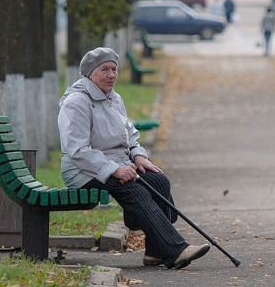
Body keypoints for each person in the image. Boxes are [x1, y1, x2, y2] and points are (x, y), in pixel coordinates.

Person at [58, 47, 209, 270]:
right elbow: (78, 151)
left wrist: (138, 155)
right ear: (90, 74)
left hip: (117, 163)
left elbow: (129, 135)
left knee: (159, 180)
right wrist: (114, 170)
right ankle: (175, 249)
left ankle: (155, 252)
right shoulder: (77, 102)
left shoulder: (114, 98)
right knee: (134, 190)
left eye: (114, 69)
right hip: (83, 171)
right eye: (104, 70)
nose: (111, 75)